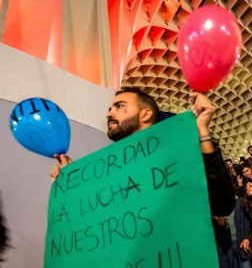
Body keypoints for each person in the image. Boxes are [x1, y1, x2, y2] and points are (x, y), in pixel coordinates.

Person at [49, 88, 236, 265]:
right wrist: (69, 189)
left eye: (120, 106)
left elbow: (223, 203)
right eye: (109, 109)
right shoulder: (109, 173)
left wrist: (202, 132)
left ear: (145, 114)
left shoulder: (177, 153)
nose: (109, 114)